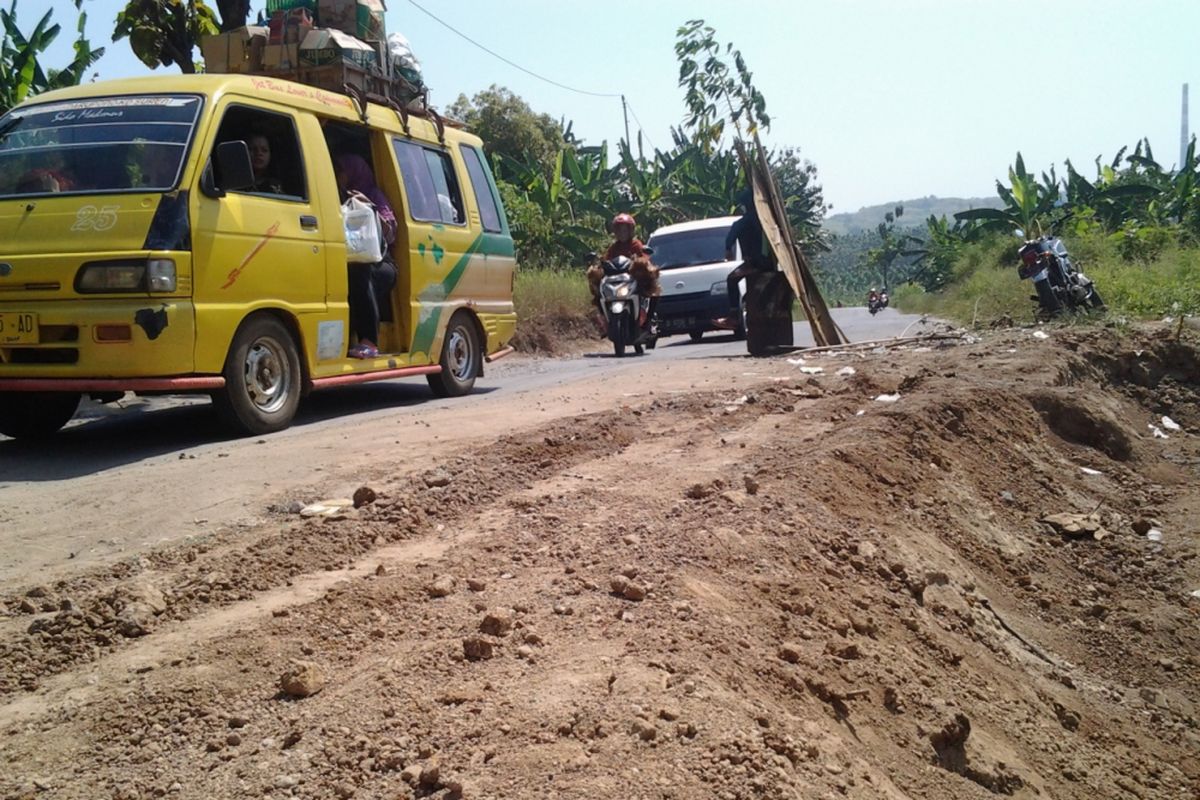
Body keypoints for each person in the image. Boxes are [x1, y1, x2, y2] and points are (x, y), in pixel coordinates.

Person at [334, 153, 398, 359]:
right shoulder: (335, 197)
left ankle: (369, 340)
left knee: (359, 270)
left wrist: (369, 207)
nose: (338, 177)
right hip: (346, 260)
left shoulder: (373, 194)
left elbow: (391, 235)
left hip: (381, 264)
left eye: (341, 172)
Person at [588, 213, 660, 339]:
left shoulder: (636, 244)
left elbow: (644, 256)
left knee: (652, 291)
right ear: (615, 231)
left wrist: (640, 261)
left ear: (630, 230)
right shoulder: (614, 247)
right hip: (616, 280)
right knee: (598, 293)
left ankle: (649, 322)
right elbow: (606, 259)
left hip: (633, 278)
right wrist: (599, 265)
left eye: (625, 229)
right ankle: (604, 322)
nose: (622, 232)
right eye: (619, 230)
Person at [713, 187, 771, 330]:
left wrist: (728, 249)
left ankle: (733, 316)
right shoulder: (767, 219)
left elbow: (731, 238)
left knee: (731, 279)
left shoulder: (745, 221)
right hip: (770, 263)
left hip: (756, 264)